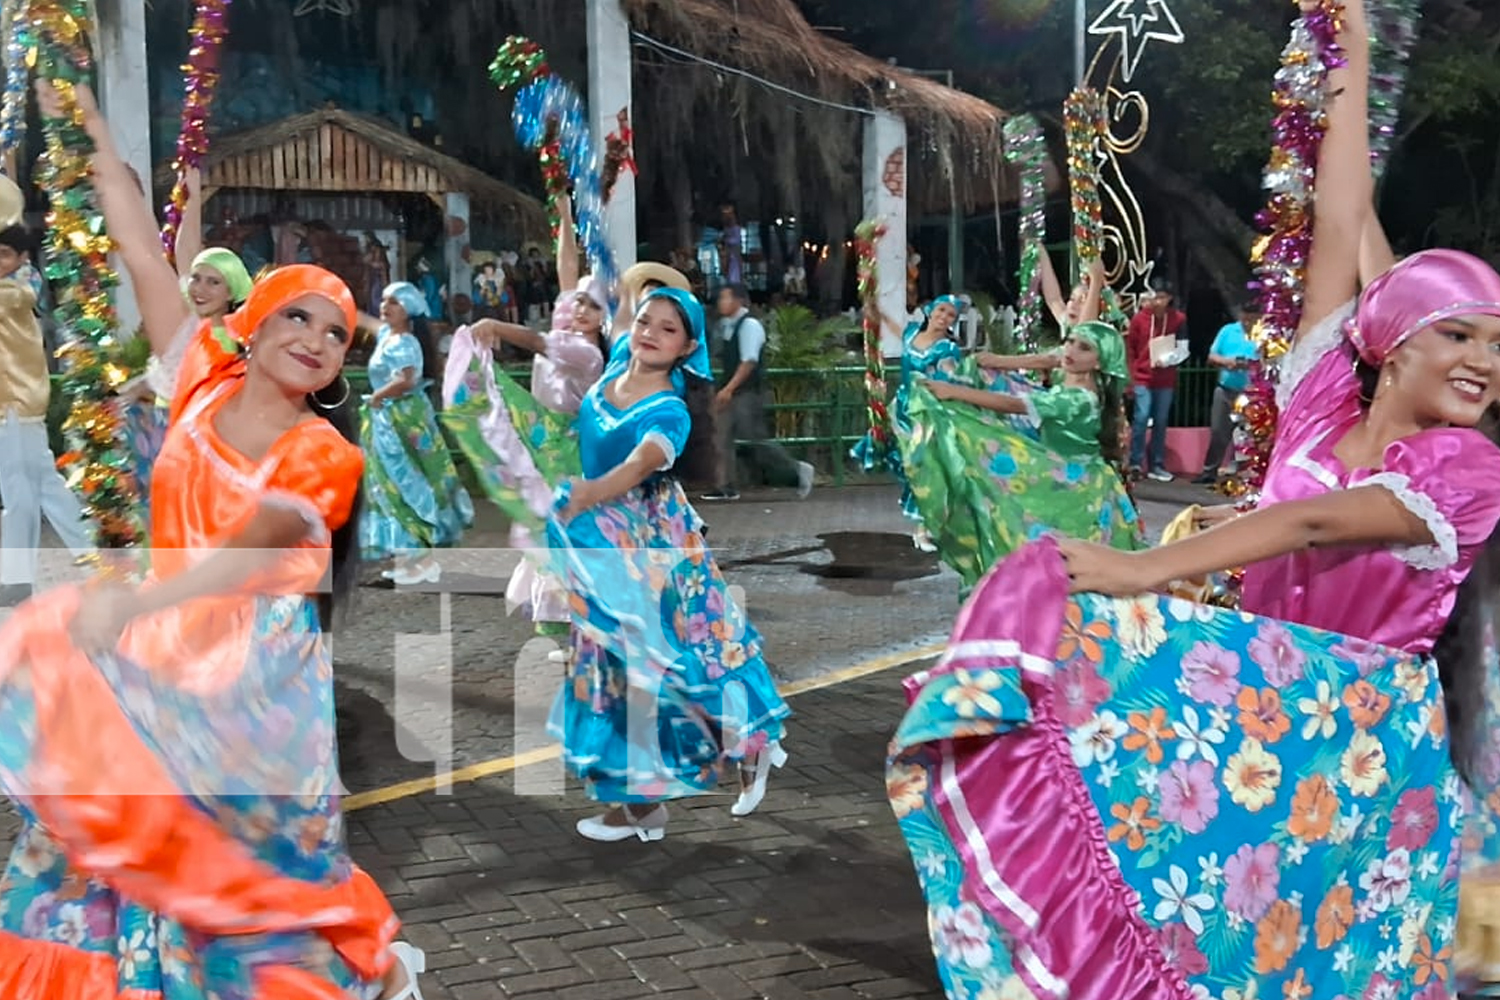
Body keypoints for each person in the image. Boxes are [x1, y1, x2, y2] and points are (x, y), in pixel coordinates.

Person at [887, 4, 1500, 995]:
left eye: (1499, 345)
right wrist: (1343, 48)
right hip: (1256, 709)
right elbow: (1340, 224)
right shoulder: (1313, 409)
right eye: (1462, 334)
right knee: (1192, 910)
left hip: (1355, 742)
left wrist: (1142, 571)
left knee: (1307, 955)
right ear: (1394, 342)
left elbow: (1308, 521)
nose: (1485, 362)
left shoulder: (1468, 470)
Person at [541, 288, 791, 838]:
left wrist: (593, 491)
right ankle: (640, 806)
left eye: (668, 329)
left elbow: (638, 465)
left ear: (688, 347)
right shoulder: (613, 368)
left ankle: (752, 739)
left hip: (651, 546)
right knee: (607, 666)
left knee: (683, 660)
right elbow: (571, 292)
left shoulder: (671, 409)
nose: (650, 332)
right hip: (602, 543)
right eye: (645, 321)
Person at [442, 196, 606, 657]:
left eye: (592, 309)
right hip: (543, 440)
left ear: (605, 318)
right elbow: (568, 272)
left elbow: (536, 340)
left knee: (560, 536)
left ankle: (584, 632)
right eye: (578, 305)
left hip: (566, 448)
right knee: (547, 534)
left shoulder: (587, 354)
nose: (580, 311)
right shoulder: (569, 325)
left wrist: (496, 323)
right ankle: (573, 632)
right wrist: (566, 216)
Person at [904, 318, 1142, 591]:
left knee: (1070, 554)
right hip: (1068, 477)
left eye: (1083, 347)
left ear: (1099, 362)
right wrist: (994, 361)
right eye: (1070, 341)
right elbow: (1042, 359)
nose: (1071, 350)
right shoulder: (1073, 369)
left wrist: (953, 391)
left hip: (1079, 487)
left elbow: (1012, 404)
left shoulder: (1079, 399)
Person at [0, 223, 92, 606]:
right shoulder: (20, 285)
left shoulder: (16, 289)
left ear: (23, 258)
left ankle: (18, 578)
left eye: (5, 253)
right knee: (41, 487)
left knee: (20, 490)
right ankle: (95, 556)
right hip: (15, 403)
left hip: (15, 403)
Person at [359, 280, 474, 585]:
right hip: (394, 417)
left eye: (394, 302)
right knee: (392, 483)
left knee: (407, 482)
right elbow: (367, 322)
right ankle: (408, 558)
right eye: (384, 300)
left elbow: (408, 379)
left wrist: (378, 396)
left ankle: (418, 560)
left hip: (401, 419)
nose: (386, 307)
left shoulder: (404, 343)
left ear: (408, 308)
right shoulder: (388, 335)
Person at [700, 283, 814, 502]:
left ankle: (798, 470)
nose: (721, 303)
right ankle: (724, 485)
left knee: (755, 438)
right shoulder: (726, 326)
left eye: (726, 298)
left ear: (739, 300)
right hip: (731, 390)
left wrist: (729, 388)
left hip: (748, 392)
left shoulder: (750, 325)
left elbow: (749, 361)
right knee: (720, 436)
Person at [1126, 277, 1188, 481]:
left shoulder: (1178, 319)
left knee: (1161, 421)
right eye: (1154, 296)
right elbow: (1131, 349)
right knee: (1141, 417)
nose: (1157, 301)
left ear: (1169, 298)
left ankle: (1157, 464)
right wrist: (1131, 377)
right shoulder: (1139, 319)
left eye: (1161, 297)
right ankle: (1135, 462)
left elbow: (1183, 348)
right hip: (1142, 376)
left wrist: (1170, 359)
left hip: (1165, 378)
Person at [1195, 301, 1262, 485]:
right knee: (1218, 432)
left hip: (1252, 392)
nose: (1249, 321)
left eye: (1254, 317)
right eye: (1247, 317)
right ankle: (1209, 471)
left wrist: (1253, 364)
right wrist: (1227, 362)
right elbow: (1212, 356)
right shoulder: (1228, 331)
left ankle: (1245, 473)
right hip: (1226, 388)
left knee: (1249, 435)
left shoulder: (1265, 333)